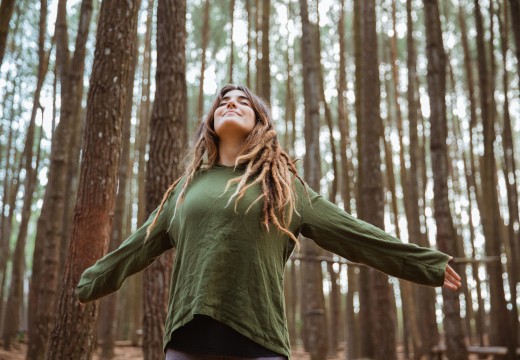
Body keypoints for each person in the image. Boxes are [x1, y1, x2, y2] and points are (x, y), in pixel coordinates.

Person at [76, 84, 462, 360]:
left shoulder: (282, 183)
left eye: (243, 101)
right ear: (211, 121)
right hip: (188, 337)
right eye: (223, 101)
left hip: (259, 338)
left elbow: (351, 232)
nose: (231, 104)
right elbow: (138, 245)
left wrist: (423, 264)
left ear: (260, 121)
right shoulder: (185, 189)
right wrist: (92, 280)